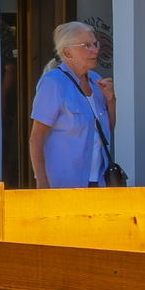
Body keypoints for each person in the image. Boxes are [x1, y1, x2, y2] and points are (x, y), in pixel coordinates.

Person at [29, 22, 116, 189]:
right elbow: (36, 138)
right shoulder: (53, 82)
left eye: (95, 44)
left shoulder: (96, 80)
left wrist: (111, 100)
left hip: (99, 182)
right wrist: (42, 184)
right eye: (87, 46)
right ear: (67, 52)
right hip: (64, 185)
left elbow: (107, 131)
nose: (96, 50)